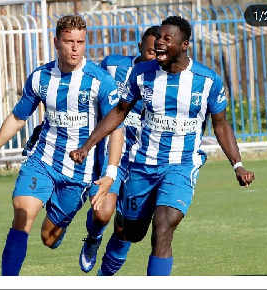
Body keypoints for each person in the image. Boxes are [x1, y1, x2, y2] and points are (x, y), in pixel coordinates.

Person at [70, 16, 255, 276]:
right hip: (143, 165)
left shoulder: (207, 80)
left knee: (164, 227)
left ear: (184, 45)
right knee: (129, 232)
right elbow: (119, 111)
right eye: (158, 38)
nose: (159, 43)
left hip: (181, 165)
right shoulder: (141, 74)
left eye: (167, 39)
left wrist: (238, 165)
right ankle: (103, 257)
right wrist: (87, 146)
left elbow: (221, 124)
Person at [0, 15, 123, 276]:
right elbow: (18, 118)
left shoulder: (99, 81)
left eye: (80, 42)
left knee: (48, 239)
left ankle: (88, 236)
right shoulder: (40, 77)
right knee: (22, 216)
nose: (75, 48)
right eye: (69, 41)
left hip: (79, 173)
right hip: (43, 160)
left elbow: (116, 127)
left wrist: (110, 173)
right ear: (56, 42)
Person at [79, 25, 159, 276]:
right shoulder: (113, 66)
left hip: (144, 162)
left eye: (159, 52)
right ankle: (93, 236)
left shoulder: (171, 82)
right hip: (113, 156)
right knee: (102, 214)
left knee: (127, 230)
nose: (155, 58)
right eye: (149, 52)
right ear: (138, 49)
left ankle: (105, 277)